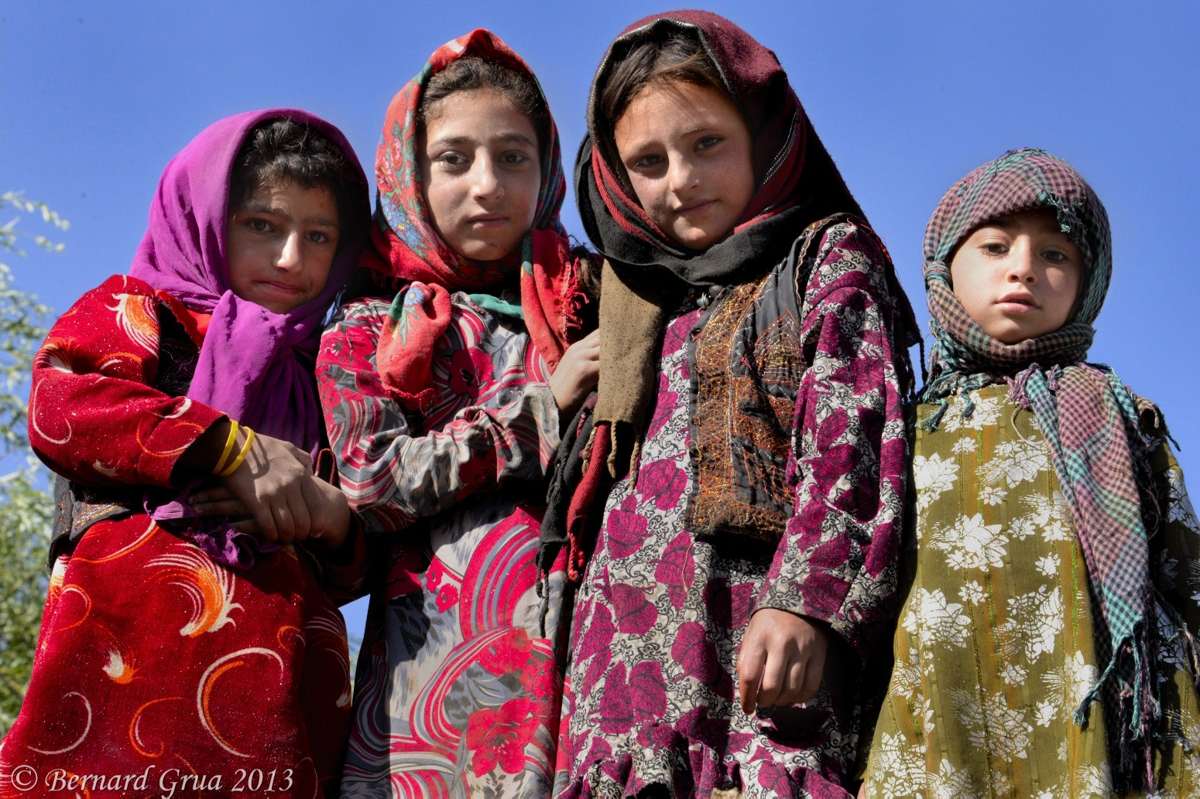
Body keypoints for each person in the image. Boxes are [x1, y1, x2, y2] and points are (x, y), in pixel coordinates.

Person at [546, 10, 920, 797]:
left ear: (764, 132)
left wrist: (808, 604)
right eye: (647, 160)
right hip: (620, 684)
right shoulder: (638, 303)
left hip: (761, 657)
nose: (680, 180)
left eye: (706, 143)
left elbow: (850, 443)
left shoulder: (826, 257)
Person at [0, 109, 370, 798]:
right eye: (262, 224)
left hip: (281, 706)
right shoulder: (137, 313)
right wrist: (227, 446)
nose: (290, 257)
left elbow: (357, 554)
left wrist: (332, 515)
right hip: (122, 679)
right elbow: (61, 409)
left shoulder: (329, 374)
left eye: (318, 236)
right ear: (202, 214)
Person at [861, 148, 1200, 797]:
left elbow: (1188, 582)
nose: (1023, 269)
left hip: (1094, 721)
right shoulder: (903, 426)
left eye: (1055, 254)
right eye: (994, 246)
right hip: (937, 722)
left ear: (1087, 280)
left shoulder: (1123, 419)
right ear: (943, 265)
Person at [315, 29, 597, 797]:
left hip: (590, 649)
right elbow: (372, 480)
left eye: (513, 157)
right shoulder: (368, 321)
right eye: (454, 159)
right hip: (434, 669)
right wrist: (543, 406)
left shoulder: (591, 298)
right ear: (409, 170)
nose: (487, 184)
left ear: (546, 170)